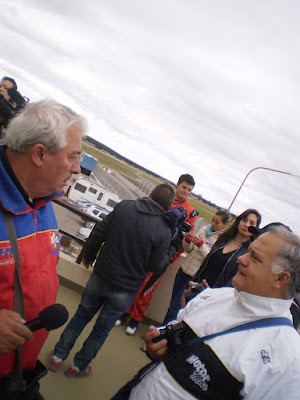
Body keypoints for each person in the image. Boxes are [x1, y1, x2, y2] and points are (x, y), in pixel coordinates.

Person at [113, 226, 300, 399]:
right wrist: (158, 349)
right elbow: (173, 334)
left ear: (281, 279)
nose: (241, 259)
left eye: (255, 257)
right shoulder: (213, 296)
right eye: (248, 251)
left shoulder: (288, 359)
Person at [0, 99, 86, 398]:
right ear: (38, 153)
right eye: (73, 157)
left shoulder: (44, 202)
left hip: (19, 371)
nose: (77, 169)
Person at [48, 184, 179, 377]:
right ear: (168, 207)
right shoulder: (164, 230)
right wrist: (172, 250)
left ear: (150, 195)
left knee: (81, 316)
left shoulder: (125, 206)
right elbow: (156, 266)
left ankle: (57, 356)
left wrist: (89, 255)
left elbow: (100, 232)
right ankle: (78, 367)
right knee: (101, 330)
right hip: (125, 289)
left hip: (101, 275)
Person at [117, 174, 198, 336]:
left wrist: (172, 256)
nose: (185, 192)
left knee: (148, 288)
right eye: (184, 187)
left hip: (163, 256)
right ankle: (123, 313)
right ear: (177, 185)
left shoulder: (190, 212)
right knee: (134, 281)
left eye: (189, 190)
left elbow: (186, 239)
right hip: (146, 248)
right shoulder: (164, 198)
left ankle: (135, 319)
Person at [163, 208, 230, 325]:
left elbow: (211, 259)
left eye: (217, 222)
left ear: (225, 225)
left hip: (193, 277)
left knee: (176, 307)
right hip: (183, 270)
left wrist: (201, 245)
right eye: (213, 220)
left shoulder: (222, 240)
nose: (213, 224)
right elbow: (188, 250)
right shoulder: (204, 229)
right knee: (172, 302)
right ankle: (163, 331)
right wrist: (188, 241)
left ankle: (161, 333)